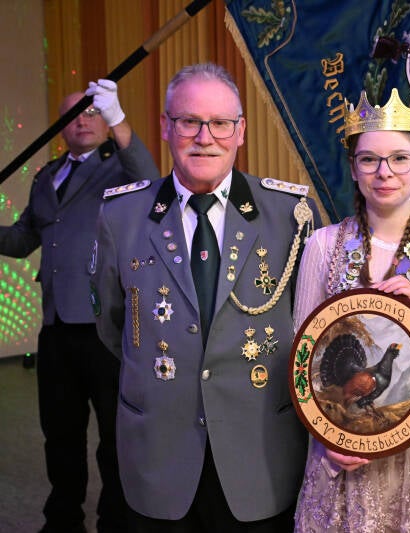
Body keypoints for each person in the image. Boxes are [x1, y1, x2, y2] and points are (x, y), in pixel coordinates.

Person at [90, 63, 321, 532]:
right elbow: (114, 326)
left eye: (220, 123)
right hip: (159, 453)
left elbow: (311, 329)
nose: (204, 137)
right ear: (165, 127)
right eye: (189, 122)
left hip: (260, 456)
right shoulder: (122, 215)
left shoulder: (291, 215)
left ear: (241, 132)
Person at [292, 88, 410, 532]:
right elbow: (301, 359)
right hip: (341, 451)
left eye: (400, 158)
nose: (384, 172)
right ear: (354, 168)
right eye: (369, 159)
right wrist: (326, 438)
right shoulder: (322, 245)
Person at [0, 80, 159, 532]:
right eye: (73, 115)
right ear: (61, 127)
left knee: (113, 433)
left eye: (91, 112)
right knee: (60, 432)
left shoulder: (118, 167)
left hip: (104, 325)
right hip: (55, 326)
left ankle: (116, 520)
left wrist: (119, 118)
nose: (83, 120)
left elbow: (149, 176)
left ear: (103, 120)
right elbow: (21, 240)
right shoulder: (46, 176)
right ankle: (63, 518)